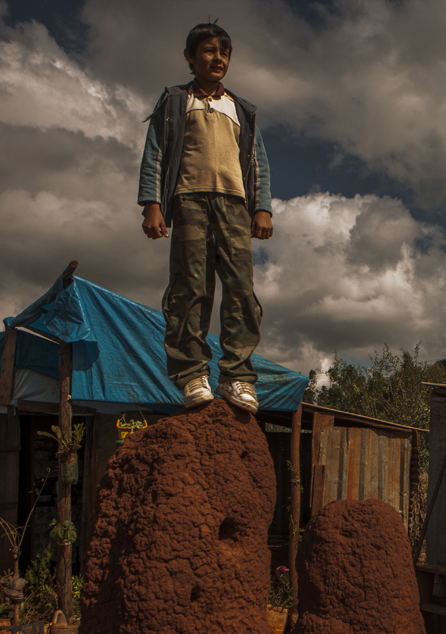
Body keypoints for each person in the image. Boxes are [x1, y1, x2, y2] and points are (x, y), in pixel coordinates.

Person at [138, 21, 273, 414]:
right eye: (210, 51)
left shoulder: (240, 109)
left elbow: (257, 162)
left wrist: (262, 206)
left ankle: (237, 376)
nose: (218, 59)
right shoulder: (175, 102)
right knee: (189, 288)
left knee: (241, 291)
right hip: (189, 201)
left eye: (225, 53)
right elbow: (156, 154)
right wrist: (152, 203)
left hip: (234, 205)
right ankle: (192, 373)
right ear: (191, 57)